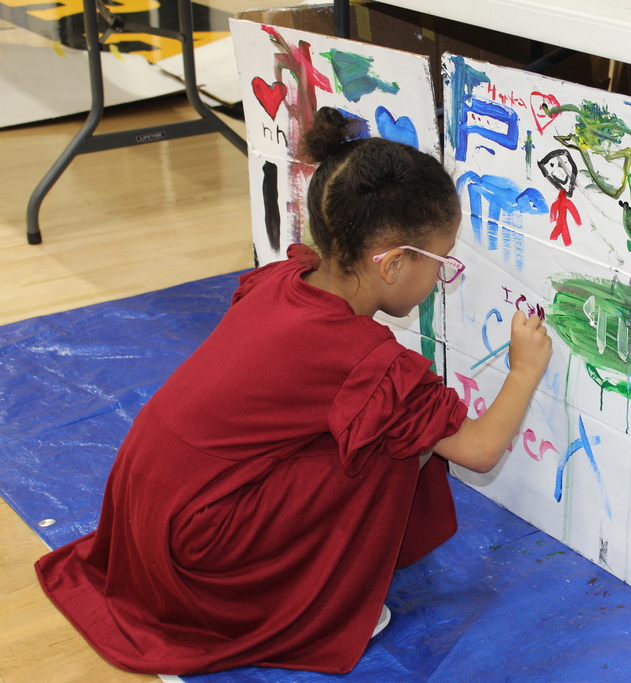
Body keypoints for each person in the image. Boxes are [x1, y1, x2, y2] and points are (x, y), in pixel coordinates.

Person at [35, 107, 553, 676]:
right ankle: (316, 608)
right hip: (194, 552)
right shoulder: (367, 361)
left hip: (142, 508)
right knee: (392, 444)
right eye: (441, 262)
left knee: (384, 428)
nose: (440, 278)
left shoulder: (284, 280)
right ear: (393, 263)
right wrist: (524, 370)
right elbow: (478, 449)